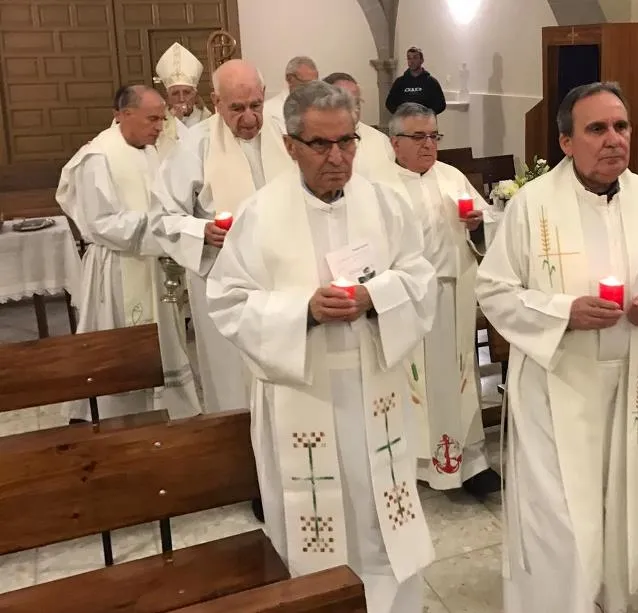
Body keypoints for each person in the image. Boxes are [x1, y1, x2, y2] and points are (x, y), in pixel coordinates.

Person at [475, 82, 638, 613]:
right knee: (560, 520)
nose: (613, 139)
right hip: (558, 387)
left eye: (621, 126)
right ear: (566, 141)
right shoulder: (533, 205)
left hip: (629, 383)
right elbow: (494, 291)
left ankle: (608, 601)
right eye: (596, 128)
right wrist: (564, 313)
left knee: (617, 505)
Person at [205, 80, 437, 613]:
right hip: (303, 391)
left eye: (347, 141)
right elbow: (228, 303)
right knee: (316, 523)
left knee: (382, 522)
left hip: (375, 387)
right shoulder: (260, 215)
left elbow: (420, 277)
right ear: (290, 146)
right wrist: (303, 311)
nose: (338, 157)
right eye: (320, 144)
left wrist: (375, 297)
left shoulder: (386, 204)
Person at [151, 59, 295, 418]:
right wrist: (201, 231)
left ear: (265, 95)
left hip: (285, 279)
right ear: (216, 102)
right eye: (237, 108)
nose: (249, 118)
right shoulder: (195, 145)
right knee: (234, 380)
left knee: (286, 377)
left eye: (256, 105)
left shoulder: (286, 136)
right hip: (224, 282)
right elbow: (162, 216)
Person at [56, 85, 201, 423]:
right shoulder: (98, 157)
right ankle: (118, 417)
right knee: (120, 345)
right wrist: (163, 228)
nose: (159, 127)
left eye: (162, 119)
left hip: (153, 265)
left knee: (164, 341)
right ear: (123, 115)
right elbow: (101, 223)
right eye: (152, 119)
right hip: (117, 268)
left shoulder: (151, 150)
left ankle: (169, 412)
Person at [380, 102, 501, 496]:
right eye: (419, 137)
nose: (429, 144)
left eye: (434, 136)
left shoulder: (452, 177)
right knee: (414, 384)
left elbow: (487, 222)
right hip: (407, 304)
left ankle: (472, 462)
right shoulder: (379, 187)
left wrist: (478, 225)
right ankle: (416, 465)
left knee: (461, 380)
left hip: (452, 296)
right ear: (395, 142)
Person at [323, 72, 395, 177]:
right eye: (345, 102)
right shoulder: (312, 140)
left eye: (356, 102)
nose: (355, 109)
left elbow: (390, 181)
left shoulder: (380, 140)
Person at [155, 42, 212, 129]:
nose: (181, 99)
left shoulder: (208, 120)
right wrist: (174, 122)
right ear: (168, 98)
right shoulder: (159, 123)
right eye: (175, 93)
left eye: (186, 92)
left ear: (195, 95)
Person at [264, 56, 319, 133]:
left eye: (315, 84)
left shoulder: (319, 107)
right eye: (307, 83)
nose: (312, 89)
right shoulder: (269, 111)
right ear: (290, 79)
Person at [385, 47, 446, 115]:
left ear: (421, 60)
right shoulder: (400, 82)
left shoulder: (431, 82)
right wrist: (400, 114)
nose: (411, 61)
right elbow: (389, 103)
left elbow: (441, 104)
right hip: (406, 120)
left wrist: (428, 114)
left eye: (415, 58)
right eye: (409, 58)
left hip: (425, 120)